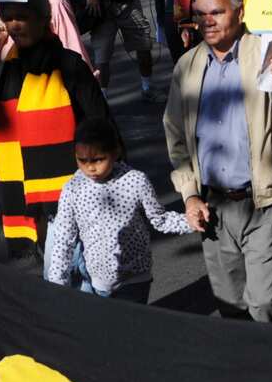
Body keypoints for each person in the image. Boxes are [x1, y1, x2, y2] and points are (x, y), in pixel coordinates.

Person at [163, 0, 272, 323]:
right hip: (212, 207)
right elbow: (176, 136)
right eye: (200, 14)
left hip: (262, 201)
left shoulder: (270, 54)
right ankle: (252, 366)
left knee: (263, 302)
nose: (207, 21)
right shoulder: (187, 66)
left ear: (240, 12)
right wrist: (189, 195)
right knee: (231, 306)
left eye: (217, 12)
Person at [0, 0, 111, 268]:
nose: (14, 25)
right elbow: (2, 134)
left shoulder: (69, 65)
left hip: (75, 192)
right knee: (61, 279)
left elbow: (101, 125)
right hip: (31, 197)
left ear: (43, 18)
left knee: (85, 276)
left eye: (22, 17)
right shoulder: (7, 71)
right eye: (8, 18)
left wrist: (108, 183)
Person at [44, 116, 189, 303]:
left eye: (98, 159)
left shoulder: (136, 181)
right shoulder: (73, 188)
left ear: (115, 152)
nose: (90, 167)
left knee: (129, 328)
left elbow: (159, 219)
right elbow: (64, 238)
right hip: (96, 281)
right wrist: (57, 284)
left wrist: (190, 221)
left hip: (134, 279)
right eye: (82, 160)